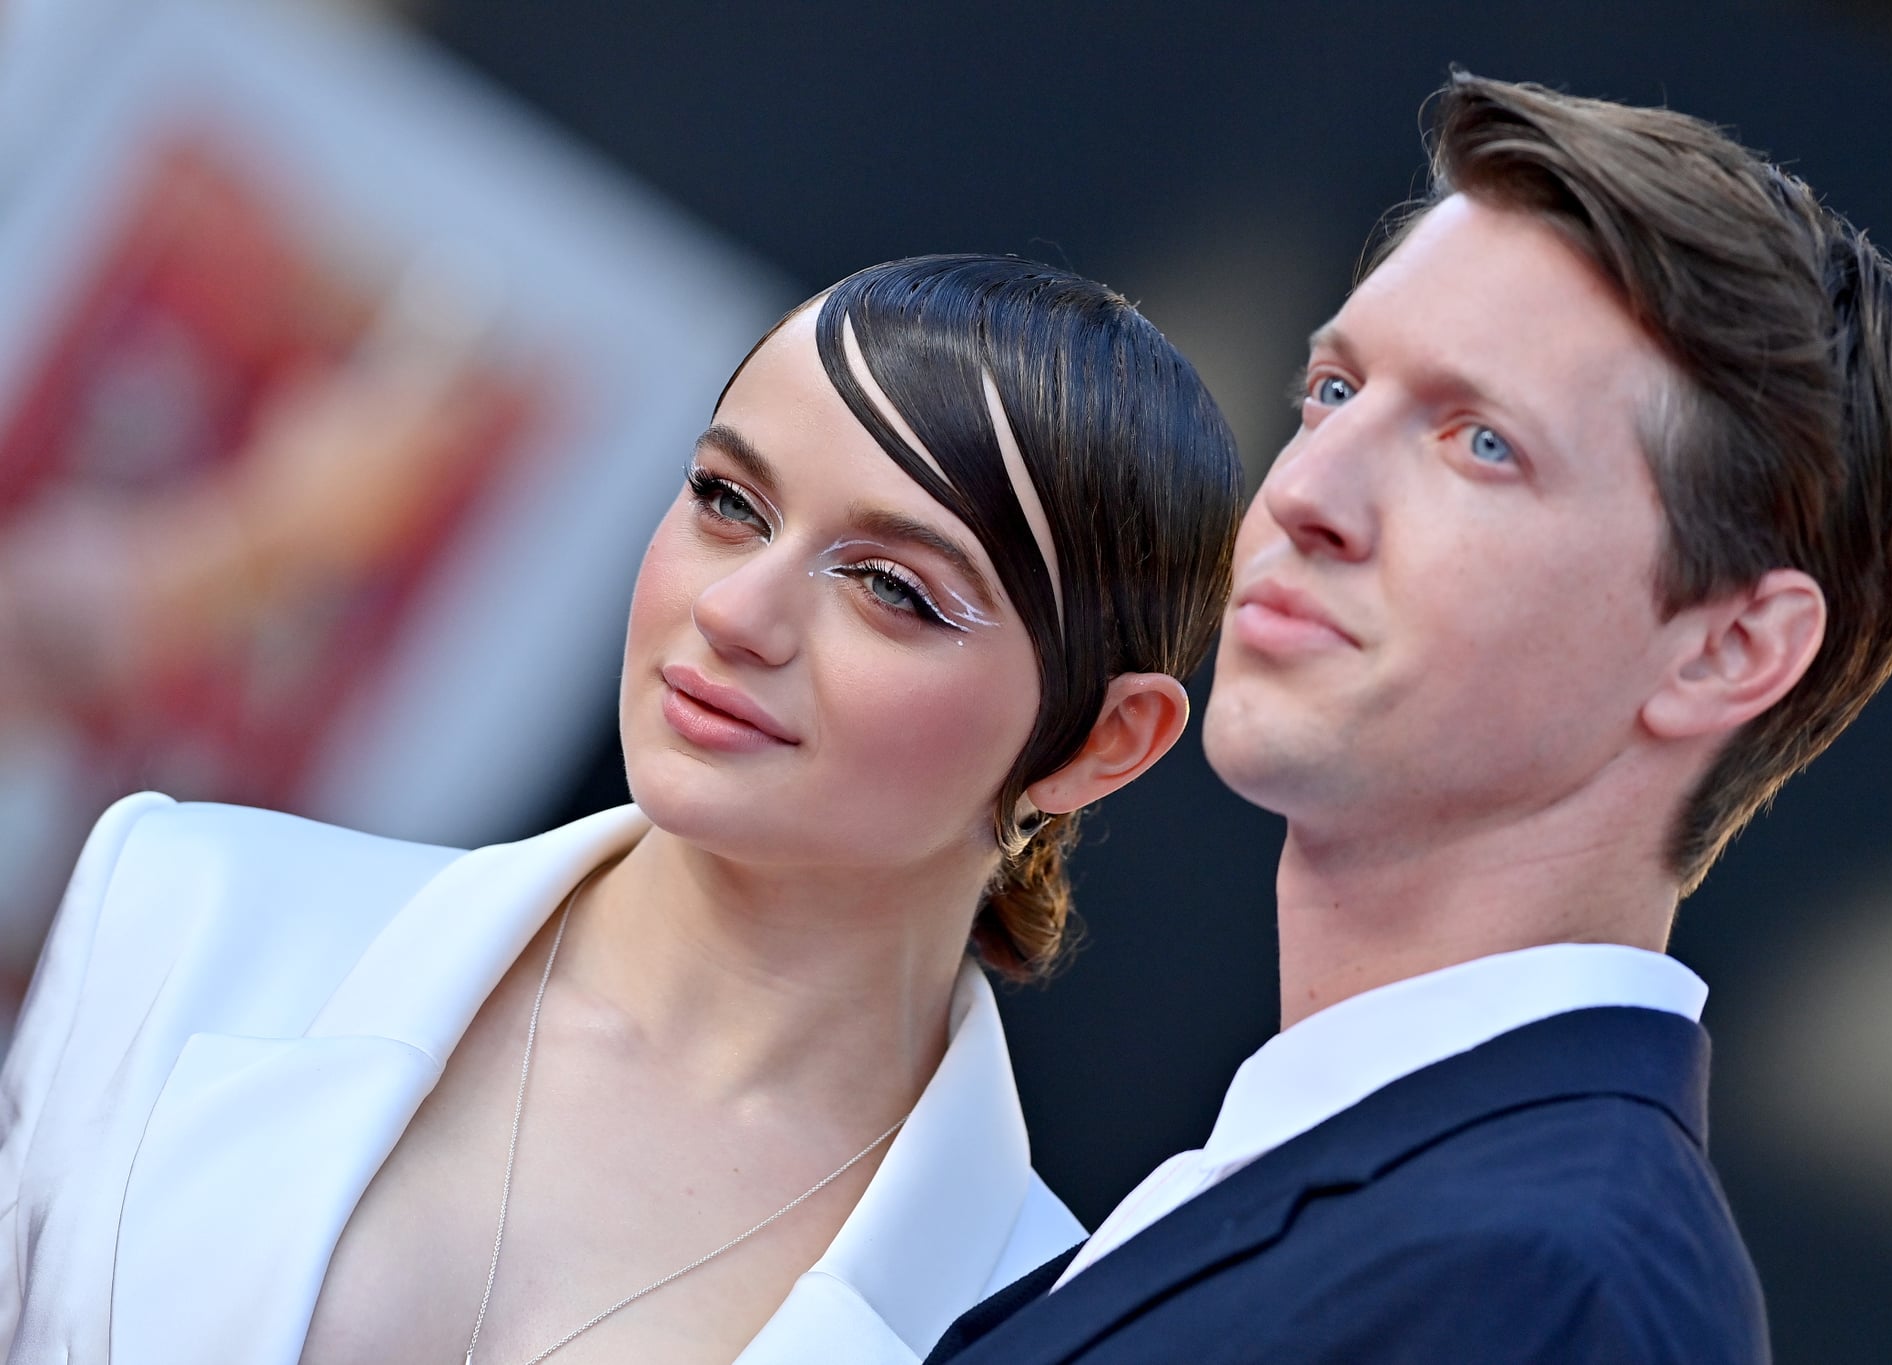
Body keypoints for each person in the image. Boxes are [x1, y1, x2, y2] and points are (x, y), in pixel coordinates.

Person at [0, 254, 1242, 1365]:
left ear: (1099, 742)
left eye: (889, 588)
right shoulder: (186, 901)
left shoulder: (1050, 1319)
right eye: (726, 502)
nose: (735, 613)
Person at [929, 72, 1892, 1364]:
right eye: (1334, 391)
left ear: (1726, 651)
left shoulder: (1556, 1287)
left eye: (1482, 444)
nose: (1307, 489)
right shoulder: (1384, 1200)